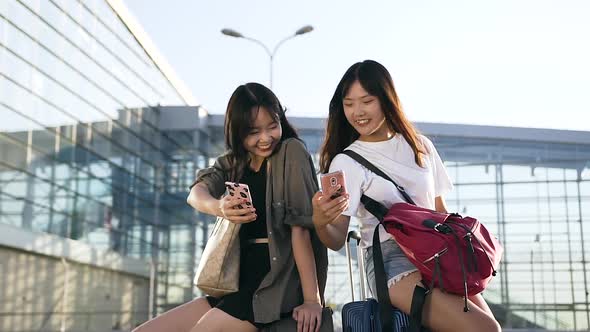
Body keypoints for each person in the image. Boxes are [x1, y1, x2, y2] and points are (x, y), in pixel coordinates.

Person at [311, 60, 501, 332]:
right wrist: (320, 220)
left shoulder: (420, 145)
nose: (357, 112)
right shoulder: (348, 161)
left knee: (492, 327)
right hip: (391, 262)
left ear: (386, 99)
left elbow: (439, 211)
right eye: (349, 103)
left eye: (367, 101)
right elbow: (336, 238)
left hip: (437, 254)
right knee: (484, 329)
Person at [133, 83, 328, 332]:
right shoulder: (234, 162)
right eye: (254, 131)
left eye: (272, 126)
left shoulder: (292, 152)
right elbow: (196, 193)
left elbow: (300, 228)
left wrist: (312, 300)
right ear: (237, 132)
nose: (265, 138)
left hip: (273, 283)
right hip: (236, 281)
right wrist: (219, 207)